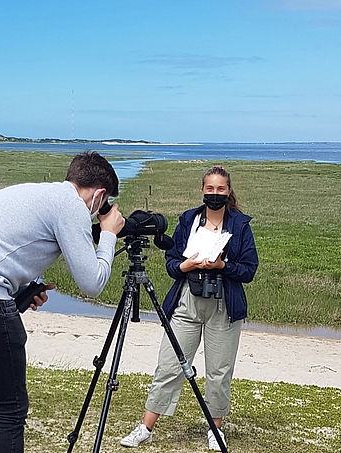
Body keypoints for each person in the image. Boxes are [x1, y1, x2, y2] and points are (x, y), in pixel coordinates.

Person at [0, 151, 125, 453]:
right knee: (9, 411)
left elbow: (0, 251)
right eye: (104, 202)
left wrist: (20, 290)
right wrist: (108, 234)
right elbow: (93, 284)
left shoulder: (39, 193)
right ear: (99, 194)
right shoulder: (70, 205)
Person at [120, 165, 258, 451]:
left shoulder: (241, 225)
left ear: (228, 191)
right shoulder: (188, 220)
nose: (215, 194)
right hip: (187, 301)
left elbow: (248, 270)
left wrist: (223, 266)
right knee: (169, 364)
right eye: (210, 189)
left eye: (221, 189)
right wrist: (187, 265)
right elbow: (171, 263)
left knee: (219, 371)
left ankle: (215, 429)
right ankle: (146, 426)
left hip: (224, 305)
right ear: (203, 190)